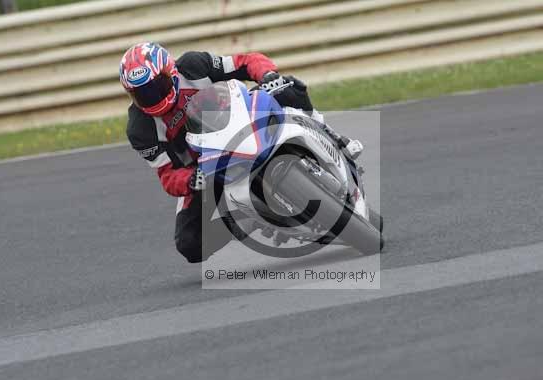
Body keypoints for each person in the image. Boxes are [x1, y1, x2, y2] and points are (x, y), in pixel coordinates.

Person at [119, 42, 363, 263]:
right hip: (205, 167)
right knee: (189, 244)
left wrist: (267, 75)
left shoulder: (193, 66)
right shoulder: (140, 130)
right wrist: (190, 180)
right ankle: (247, 220)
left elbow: (244, 62)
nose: (151, 98)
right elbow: (167, 175)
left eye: (156, 87)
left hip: (242, 123)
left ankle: (332, 135)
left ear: (170, 71)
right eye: (141, 94)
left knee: (288, 87)